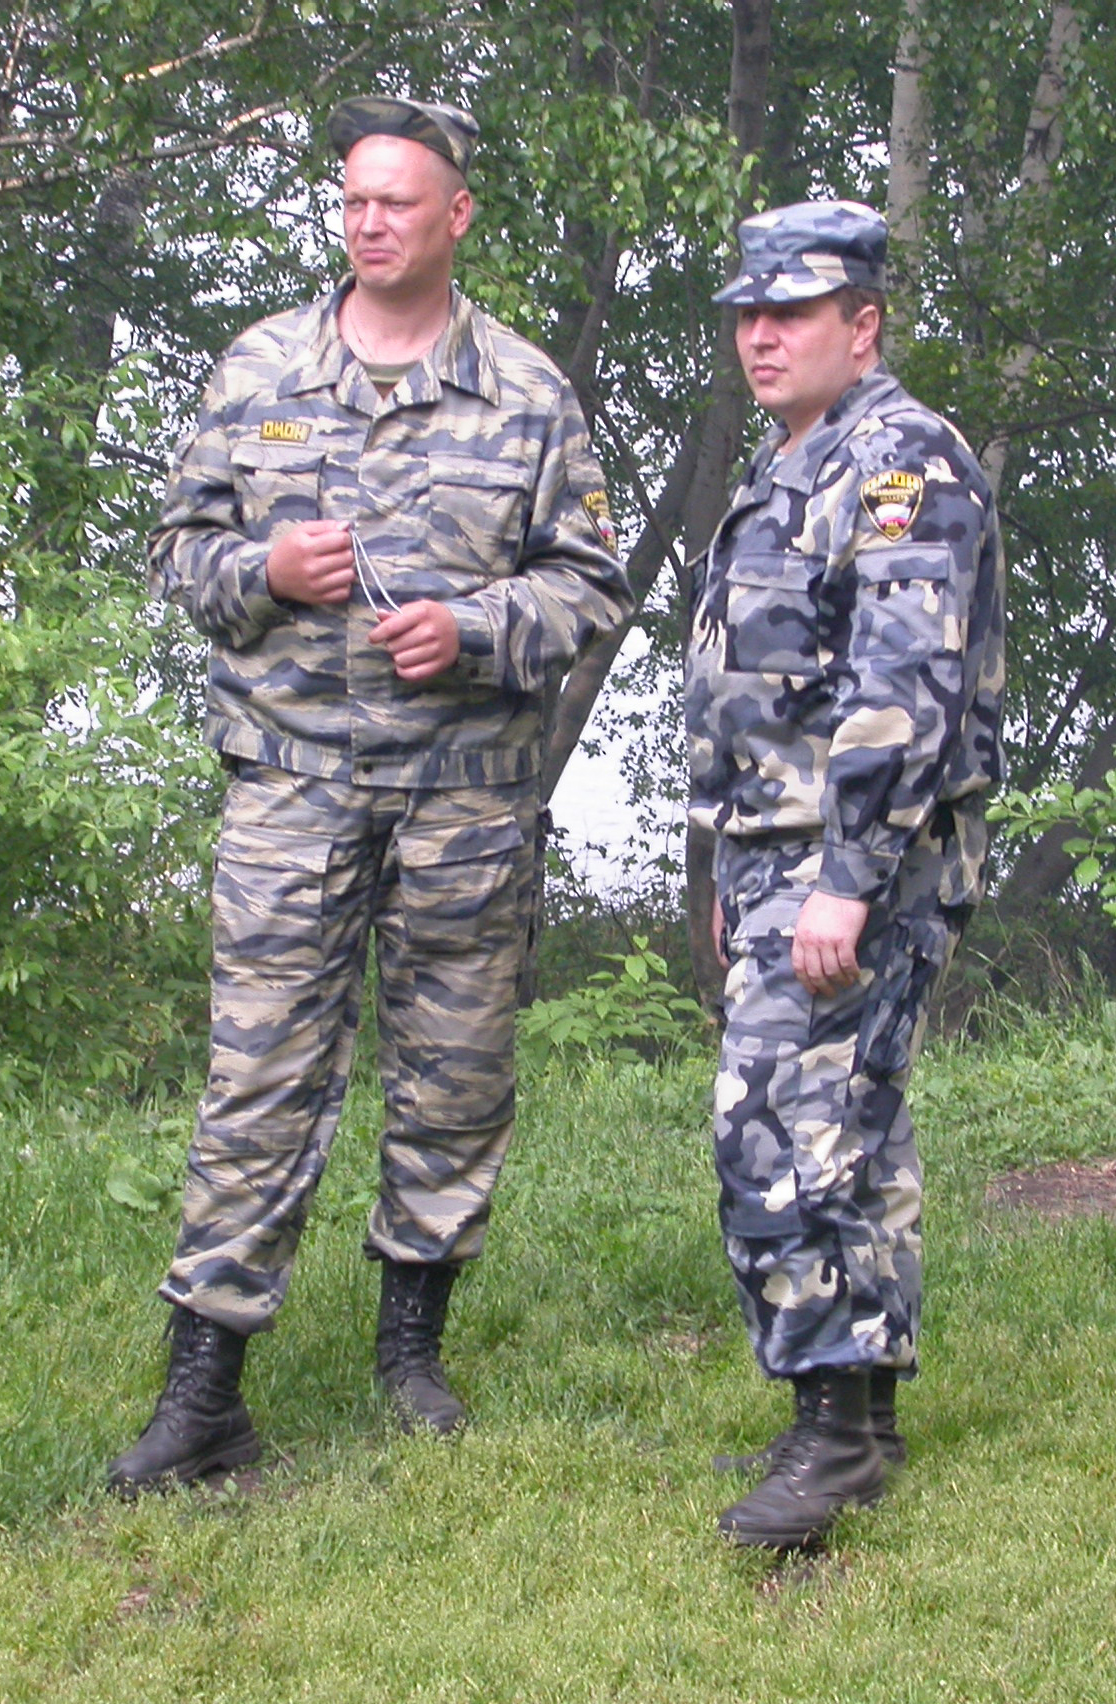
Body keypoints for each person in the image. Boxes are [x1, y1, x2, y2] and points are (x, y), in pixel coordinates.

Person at [107, 95, 631, 1492]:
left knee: (454, 1080)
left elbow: (590, 585)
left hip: (465, 803)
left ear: (456, 215)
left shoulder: (527, 392)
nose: (369, 222)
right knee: (258, 1080)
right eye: (352, 200)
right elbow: (179, 551)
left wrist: (474, 630)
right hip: (291, 790)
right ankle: (204, 1392)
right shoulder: (260, 367)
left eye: (397, 201)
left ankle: (411, 1351)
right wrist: (265, 571)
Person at [684, 200, 1005, 1550]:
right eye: (748, 315)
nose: (762, 336)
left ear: (861, 326)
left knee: (780, 1126)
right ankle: (854, 1421)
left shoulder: (898, 461)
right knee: (847, 1127)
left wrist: (844, 881)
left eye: (793, 314)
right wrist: (735, 860)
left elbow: (902, 693)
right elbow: (764, 691)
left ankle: (831, 1433)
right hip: (785, 851)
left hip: (859, 860)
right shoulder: (793, 462)